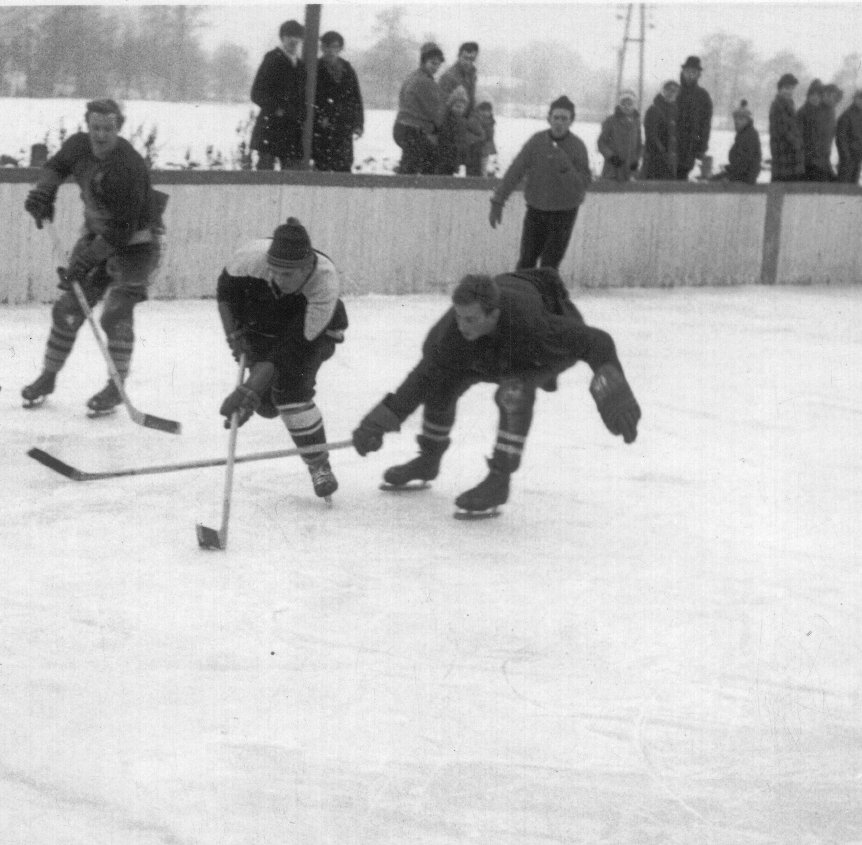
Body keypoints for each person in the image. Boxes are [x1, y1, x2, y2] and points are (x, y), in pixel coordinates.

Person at [350, 270, 641, 515]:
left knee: (513, 392)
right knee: (439, 382)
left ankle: (499, 479)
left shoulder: (533, 326)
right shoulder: (451, 334)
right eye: (459, 317)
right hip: (487, 352)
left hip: (532, 352)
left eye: (471, 319)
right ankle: (428, 459)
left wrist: (612, 390)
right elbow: (418, 383)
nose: (462, 325)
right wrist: (375, 425)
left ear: (494, 314)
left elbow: (597, 341)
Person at [21, 99, 162, 414]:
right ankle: (48, 377)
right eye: (95, 128)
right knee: (68, 310)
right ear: (88, 126)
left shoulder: (129, 166)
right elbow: (56, 167)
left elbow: (123, 229)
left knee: (115, 313)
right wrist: (45, 192)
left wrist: (87, 259)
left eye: (108, 129)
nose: (100, 136)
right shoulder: (78, 146)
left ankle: (116, 386)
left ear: (119, 128)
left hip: (137, 246)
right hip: (98, 236)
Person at [216, 218, 349, 500]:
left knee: (290, 392)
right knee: (266, 405)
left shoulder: (324, 282)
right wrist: (234, 334)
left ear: (306, 267)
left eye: (288, 275)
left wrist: (250, 387)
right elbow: (226, 293)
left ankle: (319, 465)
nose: (278, 279)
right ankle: (266, 396)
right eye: (273, 271)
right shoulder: (250, 259)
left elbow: (294, 347)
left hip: (313, 333)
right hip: (265, 325)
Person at [489, 95, 591, 270]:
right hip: (536, 210)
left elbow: (581, 187)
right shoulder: (537, 141)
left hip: (563, 213)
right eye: (556, 117)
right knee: (526, 262)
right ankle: (523, 296)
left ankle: (546, 298)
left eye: (564, 118)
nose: (559, 122)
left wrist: (565, 167)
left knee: (549, 267)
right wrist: (498, 200)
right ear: (549, 119)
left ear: (571, 121)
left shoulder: (578, 147)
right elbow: (515, 170)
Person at [249, 20, 307, 171]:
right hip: (271, 128)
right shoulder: (272, 59)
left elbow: (303, 97)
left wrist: (301, 115)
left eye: (297, 36)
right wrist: (277, 109)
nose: (293, 40)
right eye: (289, 36)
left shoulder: (301, 66)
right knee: (265, 176)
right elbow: (257, 93)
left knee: (292, 178)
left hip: (292, 130)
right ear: (282, 38)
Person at [311, 31, 365, 173]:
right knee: (322, 166)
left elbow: (356, 98)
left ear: (340, 48)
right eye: (327, 46)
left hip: (343, 126)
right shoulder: (315, 68)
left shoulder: (347, 69)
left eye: (335, 47)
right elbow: (311, 98)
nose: (331, 51)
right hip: (322, 128)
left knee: (344, 165)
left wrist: (358, 123)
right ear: (321, 47)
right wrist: (319, 116)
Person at [394, 42, 446, 175]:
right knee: (426, 165)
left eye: (438, 64)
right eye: (432, 63)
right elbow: (436, 112)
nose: (436, 67)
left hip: (401, 127)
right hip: (415, 130)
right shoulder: (425, 82)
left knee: (409, 165)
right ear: (424, 61)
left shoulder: (411, 77)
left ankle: (403, 185)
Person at [438, 42, 479, 171]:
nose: (468, 62)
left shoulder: (471, 76)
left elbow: (471, 102)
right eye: (465, 58)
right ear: (459, 56)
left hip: (464, 125)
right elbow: (444, 106)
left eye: (472, 59)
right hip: (450, 127)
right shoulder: (449, 77)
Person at [675, 56, 712, 180]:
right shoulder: (674, 92)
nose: (690, 75)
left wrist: (702, 147)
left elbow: (706, 125)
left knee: (681, 177)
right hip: (670, 146)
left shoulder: (703, 96)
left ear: (698, 75)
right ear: (683, 72)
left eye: (694, 72)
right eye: (688, 72)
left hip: (689, 148)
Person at [437, 85, 485, 175]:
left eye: (462, 107)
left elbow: (480, 134)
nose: (459, 110)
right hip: (450, 152)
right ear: (451, 106)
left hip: (462, 151)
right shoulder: (446, 120)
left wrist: (470, 140)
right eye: (457, 106)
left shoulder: (467, 121)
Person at [598, 88, 643, 182]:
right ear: (619, 104)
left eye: (630, 104)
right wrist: (611, 157)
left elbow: (639, 144)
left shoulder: (636, 122)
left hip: (630, 169)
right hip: (613, 168)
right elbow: (601, 142)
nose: (626, 107)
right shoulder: (611, 121)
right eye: (623, 103)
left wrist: (636, 159)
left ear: (634, 105)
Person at [715, 100, 762, 184]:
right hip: (740, 176)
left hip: (744, 180)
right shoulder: (742, 135)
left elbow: (745, 164)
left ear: (747, 120)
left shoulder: (749, 136)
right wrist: (728, 168)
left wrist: (730, 177)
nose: (736, 121)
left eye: (740, 118)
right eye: (735, 118)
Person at [769, 73, 804, 182]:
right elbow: (783, 129)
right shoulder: (778, 105)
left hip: (789, 153)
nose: (789, 91)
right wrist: (797, 143)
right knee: (781, 182)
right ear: (780, 89)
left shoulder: (789, 104)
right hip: (782, 152)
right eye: (786, 88)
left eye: (792, 89)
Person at [641, 81, 679, 180]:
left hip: (672, 159)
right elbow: (651, 135)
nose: (671, 93)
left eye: (674, 91)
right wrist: (662, 152)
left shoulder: (676, 111)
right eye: (668, 90)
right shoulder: (654, 110)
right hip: (656, 159)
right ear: (662, 91)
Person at [798, 79, 835, 182]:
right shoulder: (802, 112)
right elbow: (799, 138)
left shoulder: (822, 113)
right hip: (808, 161)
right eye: (812, 95)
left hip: (822, 160)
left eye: (818, 96)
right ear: (808, 96)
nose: (815, 98)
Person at [835, 89, 862, 183]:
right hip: (848, 158)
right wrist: (845, 155)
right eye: (860, 98)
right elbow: (841, 138)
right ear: (854, 98)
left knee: (854, 183)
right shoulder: (846, 115)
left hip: (859, 156)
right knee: (844, 183)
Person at [468, 99, 497, 177]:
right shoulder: (474, 120)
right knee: (476, 168)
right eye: (483, 110)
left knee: (485, 169)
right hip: (476, 149)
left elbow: (490, 136)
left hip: (486, 150)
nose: (485, 113)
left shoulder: (490, 122)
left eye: (488, 111)